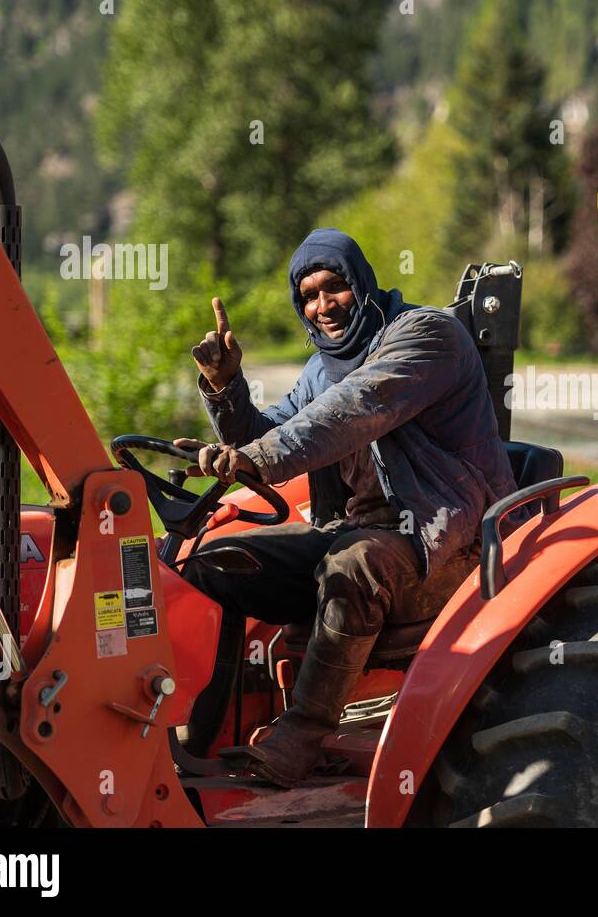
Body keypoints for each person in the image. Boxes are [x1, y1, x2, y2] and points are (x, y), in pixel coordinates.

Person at [178, 228, 516, 786]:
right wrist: (226, 386)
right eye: (308, 296)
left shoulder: (428, 337)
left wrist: (256, 458)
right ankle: (196, 734)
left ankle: (301, 738)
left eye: (335, 287)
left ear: (362, 283)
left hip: (449, 541)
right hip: (362, 530)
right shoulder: (321, 370)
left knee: (354, 563)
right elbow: (273, 431)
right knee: (219, 559)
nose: (323, 305)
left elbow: (353, 410)